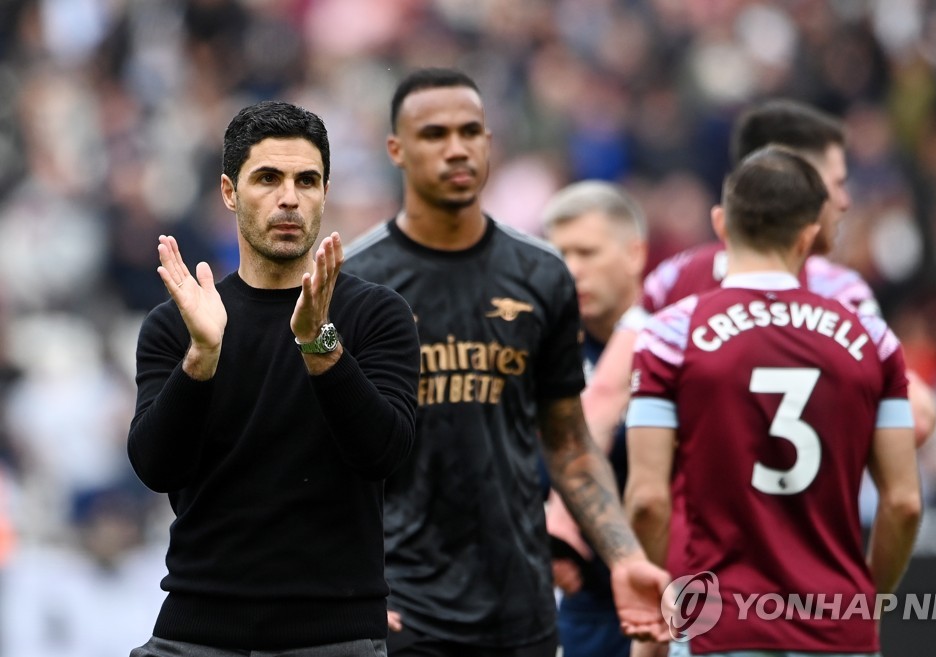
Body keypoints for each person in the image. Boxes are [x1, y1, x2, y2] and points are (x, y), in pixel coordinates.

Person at [342, 67, 669, 657]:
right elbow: (324, 452)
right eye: (434, 134)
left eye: (471, 131)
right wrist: (343, 586)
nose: (456, 148)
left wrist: (624, 558)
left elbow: (567, 442)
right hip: (401, 610)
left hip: (521, 609)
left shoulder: (541, 274)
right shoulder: (358, 283)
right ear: (396, 149)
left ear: (490, 142)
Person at [127, 101, 420, 656]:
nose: (290, 197)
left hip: (334, 636)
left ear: (325, 193)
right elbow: (155, 466)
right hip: (197, 630)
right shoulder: (181, 322)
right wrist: (203, 356)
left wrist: (319, 344)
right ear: (229, 192)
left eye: (306, 180)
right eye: (268, 178)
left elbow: (385, 454)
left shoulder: (376, 314)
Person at [625, 146, 922, 655]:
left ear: (721, 224)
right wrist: (865, 602)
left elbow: (649, 501)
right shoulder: (871, 339)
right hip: (837, 629)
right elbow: (903, 503)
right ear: (809, 236)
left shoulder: (670, 334)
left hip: (716, 625)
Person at [583, 100, 936, 459]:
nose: (845, 201)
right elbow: (917, 417)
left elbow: (603, 399)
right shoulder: (838, 292)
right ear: (794, 182)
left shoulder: (674, 280)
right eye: (837, 183)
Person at [541, 181, 649, 657]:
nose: (572, 269)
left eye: (587, 251)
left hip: (674, 590)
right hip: (576, 600)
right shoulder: (542, 353)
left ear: (634, 254)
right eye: (560, 253)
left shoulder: (676, 347)